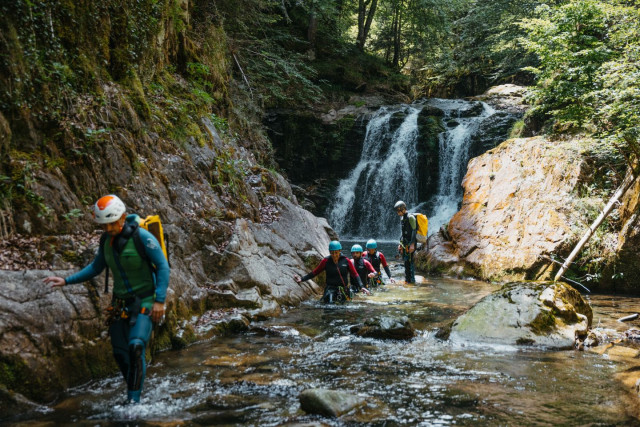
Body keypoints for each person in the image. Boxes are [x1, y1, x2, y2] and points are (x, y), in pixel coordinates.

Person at [43, 195, 170, 404]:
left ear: (123, 217)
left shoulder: (144, 238)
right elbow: (96, 267)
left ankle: (133, 404)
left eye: (113, 223)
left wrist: (159, 301)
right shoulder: (106, 242)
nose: (109, 228)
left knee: (136, 346)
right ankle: (135, 389)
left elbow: (163, 267)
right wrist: (66, 280)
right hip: (120, 305)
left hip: (146, 301)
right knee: (120, 354)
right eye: (105, 225)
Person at [294, 240, 364, 303]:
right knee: (329, 308)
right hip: (330, 290)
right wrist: (302, 279)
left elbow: (355, 274)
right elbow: (315, 272)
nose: (334, 255)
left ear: (340, 251)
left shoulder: (346, 260)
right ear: (330, 252)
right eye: (332, 253)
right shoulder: (326, 261)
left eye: (336, 252)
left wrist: (361, 286)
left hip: (343, 290)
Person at [395, 200, 416, 284]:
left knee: (410, 262)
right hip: (405, 243)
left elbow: (414, 230)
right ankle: (407, 280)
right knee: (406, 262)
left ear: (403, 209)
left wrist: (412, 244)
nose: (397, 213)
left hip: (410, 243)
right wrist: (400, 243)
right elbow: (403, 233)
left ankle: (412, 281)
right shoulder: (402, 218)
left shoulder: (411, 217)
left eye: (398, 211)